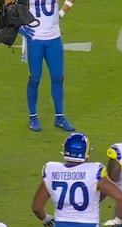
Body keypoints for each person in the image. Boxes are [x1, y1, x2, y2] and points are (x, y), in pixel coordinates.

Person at [18, 0, 77, 132]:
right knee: (35, 78)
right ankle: (33, 116)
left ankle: (59, 117)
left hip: (54, 37)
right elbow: (6, 4)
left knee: (58, 77)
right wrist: (16, 25)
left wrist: (62, 12)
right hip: (34, 38)